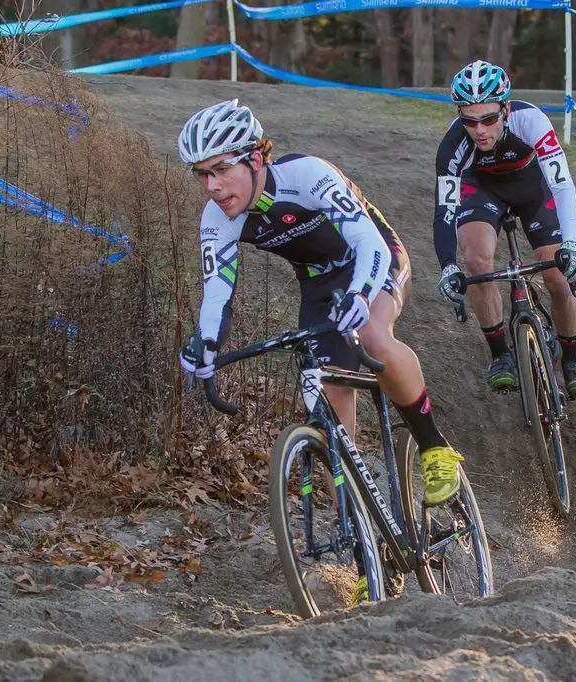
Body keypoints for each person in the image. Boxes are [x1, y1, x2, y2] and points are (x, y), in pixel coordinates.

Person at [176, 99, 465, 602]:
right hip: (318, 287)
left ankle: (436, 448)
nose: (213, 186)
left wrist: (360, 294)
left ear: (255, 159)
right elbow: (216, 294)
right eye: (202, 175)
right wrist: (205, 345)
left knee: (374, 336)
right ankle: (372, 563)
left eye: (221, 170)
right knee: (334, 440)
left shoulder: (307, 175)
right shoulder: (217, 218)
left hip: (373, 258)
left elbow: (369, 243)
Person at [433, 60, 576, 399]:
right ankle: (501, 355)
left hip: (531, 189)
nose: (480, 131)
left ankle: (572, 361)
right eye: (470, 121)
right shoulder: (452, 148)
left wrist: (572, 243)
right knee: (477, 264)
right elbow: (445, 211)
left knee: (557, 276)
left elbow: (562, 186)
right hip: (483, 191)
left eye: (489, 119)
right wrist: (448, 265)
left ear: (506, 109)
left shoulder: (531, 121)